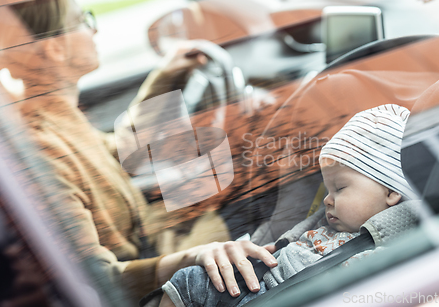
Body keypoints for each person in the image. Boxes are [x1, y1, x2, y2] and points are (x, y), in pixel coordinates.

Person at [0, 0, 278, 305]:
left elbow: (112, 152)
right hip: (145, 282)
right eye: (83, 21)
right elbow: (92, 277)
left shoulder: (54, 116)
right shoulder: (41, 146)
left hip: (156, 242)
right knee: (272, 216)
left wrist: (164, 78)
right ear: (55, 47)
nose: (93, 31)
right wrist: (194, 257)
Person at [158, 104, 415, 307]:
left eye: (340, 188)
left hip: (286, 296)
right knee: (188, 280)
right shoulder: (325, 222)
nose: (327, 198)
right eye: (327, 189)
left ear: (391, 191)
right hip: (260, 284)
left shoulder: (384, 248)